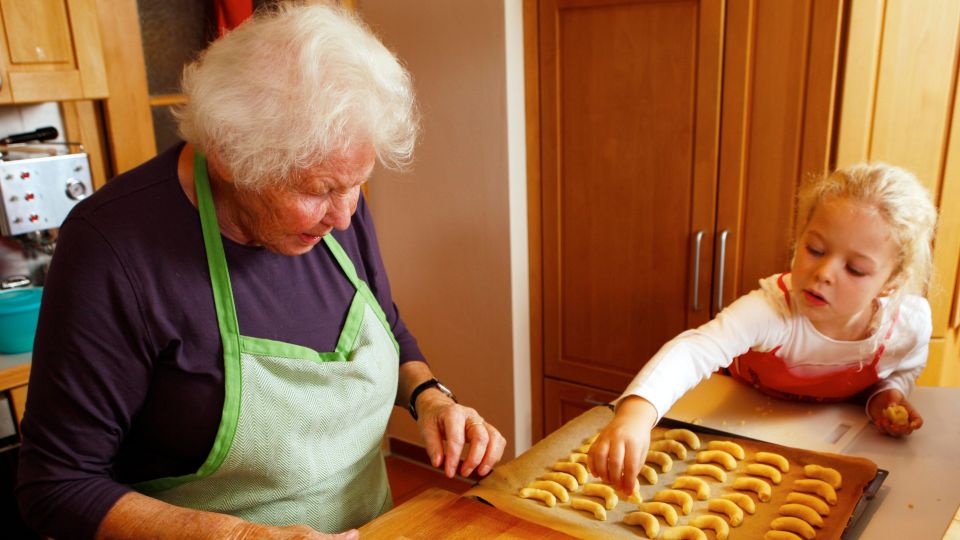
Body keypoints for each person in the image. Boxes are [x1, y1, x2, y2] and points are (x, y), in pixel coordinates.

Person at [15, 4, 505, 539]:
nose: (344, 215)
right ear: (229, 157)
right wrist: (241, 537)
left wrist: (429, 396)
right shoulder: (112, 249)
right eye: (319, 190)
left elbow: (384, 324)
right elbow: (56, 486)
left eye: (356, 184)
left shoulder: (337, 210)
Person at [588, 162, 938, 495]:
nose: (824, 273)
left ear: (891, 283)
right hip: (735, 425)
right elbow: (696, 349)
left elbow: (907, 365)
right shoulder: (773, 310)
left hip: (824, 443)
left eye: (856, 269)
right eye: (815, 249)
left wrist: (887, 394)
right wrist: (637, 412)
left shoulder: (905, 326)